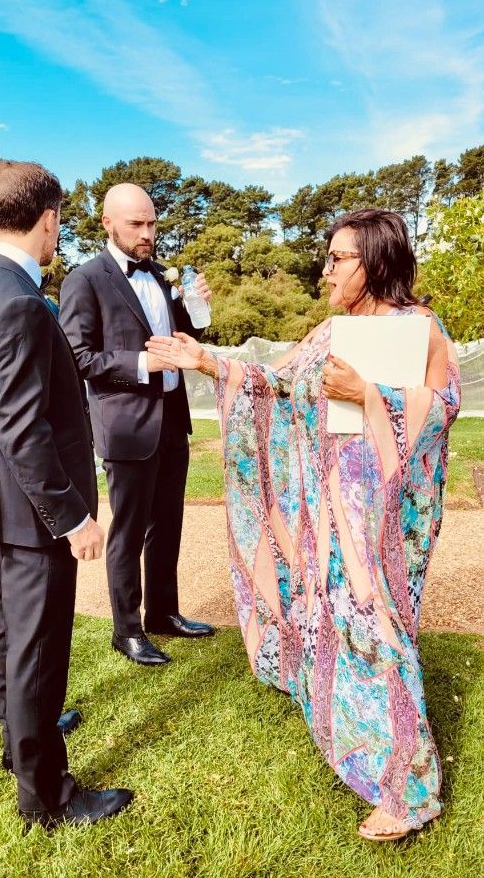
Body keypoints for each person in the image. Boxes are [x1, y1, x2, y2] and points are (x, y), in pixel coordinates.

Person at [146, 209, 460, 841]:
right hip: (326, 515)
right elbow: (278, 384)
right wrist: (207, 362)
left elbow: (443, 412)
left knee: (377, 626)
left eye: (338, 259)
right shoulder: (330, 331)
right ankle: (351, 724)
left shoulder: (420, 327)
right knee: (344, 625)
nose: (326, 271)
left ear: (373, 261)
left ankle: (408, 791)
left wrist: (369, 392)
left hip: (382, 524)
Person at [0, 161, 133, 829]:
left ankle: (22, 736)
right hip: (34, 511)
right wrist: (73, 518)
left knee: (10, 630)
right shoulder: (17, 300)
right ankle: (47, 795)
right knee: (36, 647)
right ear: (50, 218)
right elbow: (22, 427)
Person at [59, 183, 215, 668]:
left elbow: (181, 335)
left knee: (168, 523)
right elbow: (78, 356)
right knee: (128, 532)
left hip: (173, 419)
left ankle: (163, 613)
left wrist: (197, 309)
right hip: (127, 428)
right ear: (107, 223)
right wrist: (143, 362)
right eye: (136, 225)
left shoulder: (160, 276)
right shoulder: (84, 280)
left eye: (151, 223)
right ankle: (126, 630)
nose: (148, 234)